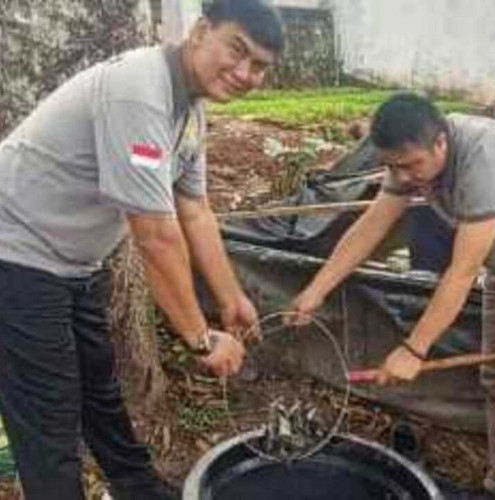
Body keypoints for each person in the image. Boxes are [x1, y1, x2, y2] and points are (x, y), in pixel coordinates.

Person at [0, 1, 283, 498]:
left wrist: (230, 298)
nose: (244, 73)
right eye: (237, 51)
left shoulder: (189, 110)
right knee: (51, 414)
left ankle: (139, 490)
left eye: (259, 66)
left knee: (101, 396)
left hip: (74, 264)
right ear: (200, 32)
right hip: (15, 255)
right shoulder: (139, 91)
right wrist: (201, 338)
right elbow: (154, 234)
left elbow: (194, 210)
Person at [289, 93, 495, 500]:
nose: (404, 175)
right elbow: (371, 225)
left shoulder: (483, 156)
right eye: (393, 166)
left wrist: (414, 349)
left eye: (410, 164)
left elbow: (463, 270)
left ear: (441, 143)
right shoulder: (407, 163)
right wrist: (316, 290)